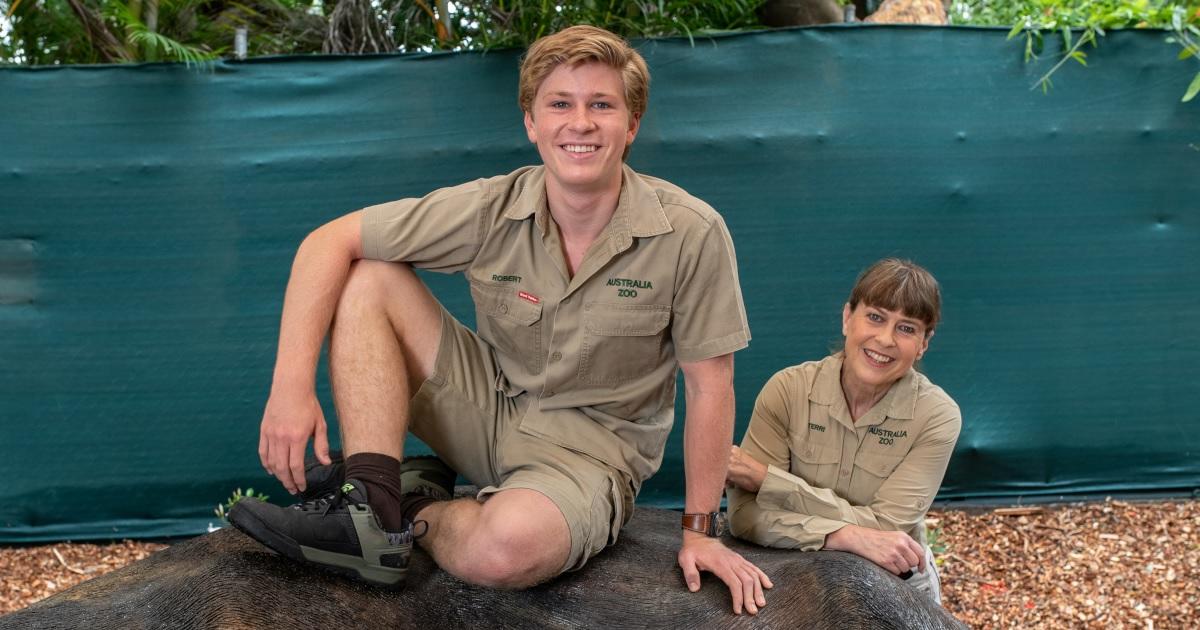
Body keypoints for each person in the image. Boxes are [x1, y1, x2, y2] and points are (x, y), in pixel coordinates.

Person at [229, 25, 773, 614]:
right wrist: (290, 386)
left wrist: (699, 530)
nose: (580, 123)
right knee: (370, 275)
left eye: (601, 105)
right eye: (559, 104)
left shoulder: (691, 232)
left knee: (504, 551)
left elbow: (710, 384)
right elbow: (326, 242)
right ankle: (369, 512)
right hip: (486, 409)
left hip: (590, 457)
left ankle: (408, 510)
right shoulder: (492, 205)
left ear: (631, 125)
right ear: (531, 123)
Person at [725, 258, 960, 603]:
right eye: (876, 317)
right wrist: (844, 536)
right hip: (786, 561)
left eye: (906, 328)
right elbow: (745, 516)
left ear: (924, 342)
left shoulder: (937, 417)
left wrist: (767, 481)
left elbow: (885, 529)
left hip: (895, 573)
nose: (885, 339)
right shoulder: (788, 390)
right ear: (848, 317)